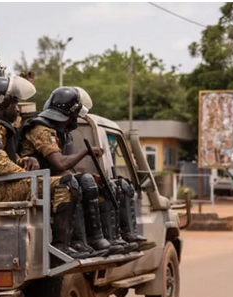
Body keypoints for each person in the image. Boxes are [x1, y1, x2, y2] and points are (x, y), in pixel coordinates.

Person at [0, 76, 96, 259]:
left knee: (71, 182)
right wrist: (29, 175)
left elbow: (7, 157)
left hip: (2, 184)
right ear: (2, 103)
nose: (17, 109)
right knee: (64, 184)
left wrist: (24, 160)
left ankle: (76, 244)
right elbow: (1, 166)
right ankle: (60, 247)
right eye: (14, 103)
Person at [19, 86, 153, 255]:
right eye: (76, 114)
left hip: (49, 179)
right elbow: (60, 164)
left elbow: (61, 169)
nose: (77, 119)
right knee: (79, 183)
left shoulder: (59, 131)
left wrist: (84, 175)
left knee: (100, 182)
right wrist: (86, 152)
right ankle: (79, 242)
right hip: (33, 183)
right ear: (70, 113)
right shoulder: (41, 130)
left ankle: (108, 238)